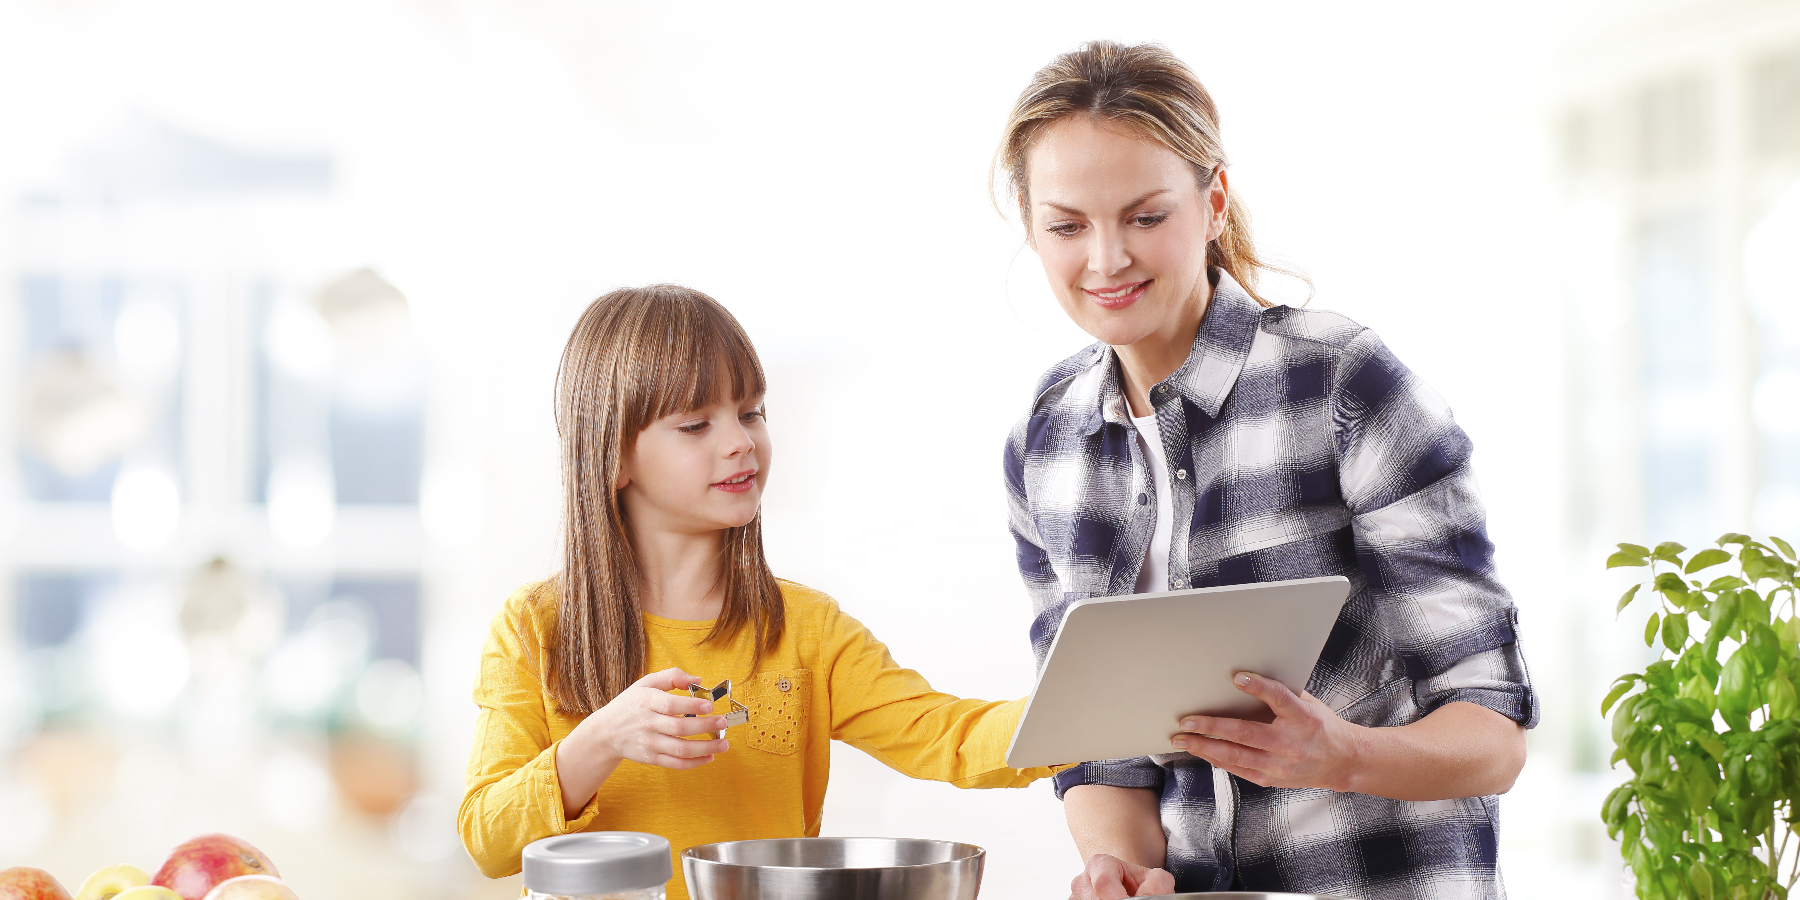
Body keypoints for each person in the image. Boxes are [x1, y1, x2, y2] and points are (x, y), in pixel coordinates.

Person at [993, 42, 1538, 900]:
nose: (1105, 261)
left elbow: (1494, 732)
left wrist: (1342, 755)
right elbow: (1102, 743)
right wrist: (1121, 865)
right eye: (1067, 226)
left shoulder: (1341, 384)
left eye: (1144, 217)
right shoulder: (1047, 440)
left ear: (1212, 204)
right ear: (1029, 222)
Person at [457, 284, 1056, 900]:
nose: (741, 441)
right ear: (612, 457)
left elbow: (947, 735)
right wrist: (604, 738)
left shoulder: (805, 629)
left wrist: (1098, 717)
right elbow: (487, 838)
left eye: (751, 412)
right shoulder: (534, 628)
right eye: (696, 424)